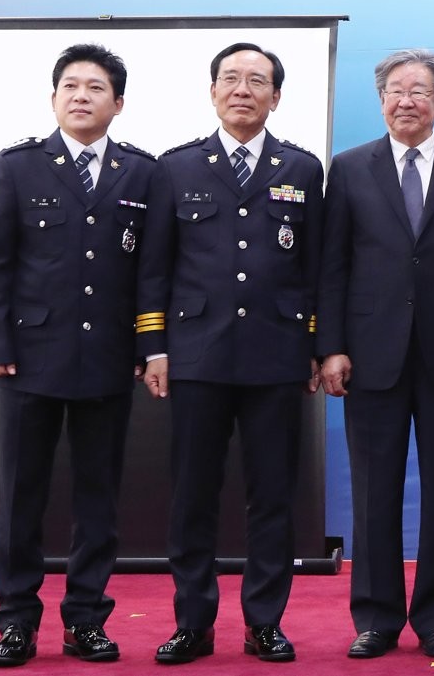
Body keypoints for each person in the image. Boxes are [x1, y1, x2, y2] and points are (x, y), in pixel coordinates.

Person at [136, 42, 324, 664]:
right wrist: (154, 347)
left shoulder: (302, 169)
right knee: (193, 495)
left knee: (272, 497)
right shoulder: (175, 168)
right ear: (212, 91)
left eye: (257, 81)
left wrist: (316, 346)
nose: (243, 90)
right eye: (231, 79)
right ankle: (193, 622)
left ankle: (264, 621)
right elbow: (154, 268)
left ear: (277, 96)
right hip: (197, 355)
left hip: (277, 355)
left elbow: (315, 269)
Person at [0, 43, 155, 667]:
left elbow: (149, 272)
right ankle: (16, 622)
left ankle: (86, 619)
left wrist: (145, 347)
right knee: (20, 497)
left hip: (108, 358)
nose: (82, 96)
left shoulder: (141, 172)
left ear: (118, 103)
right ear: (54, 98)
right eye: (71, 86)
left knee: (98, 499)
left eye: (96, 87)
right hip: (30, 358)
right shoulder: (19, 166)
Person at [317, 50, 434, 660]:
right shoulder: (349, 168)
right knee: (373, 493)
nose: (405, 100)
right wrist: (331, 347)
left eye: (419, 90)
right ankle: (376, 616)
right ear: (381, 99)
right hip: (369, 355)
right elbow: (332, 266)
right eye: (394, 89)